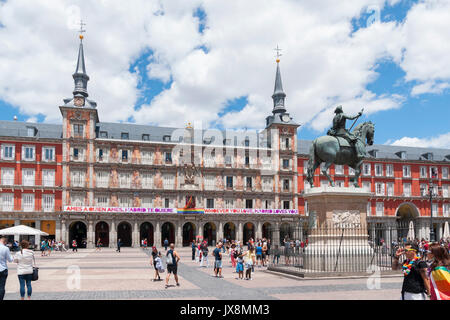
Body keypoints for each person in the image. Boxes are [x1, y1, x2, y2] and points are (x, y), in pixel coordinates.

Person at [0, 236, 14, 300]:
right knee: (1, 287)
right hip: (3, 269)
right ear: (5, 242)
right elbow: (10, 260)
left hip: (3, 269)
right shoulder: (5, 248)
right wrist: (11, 255)